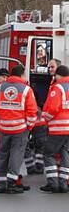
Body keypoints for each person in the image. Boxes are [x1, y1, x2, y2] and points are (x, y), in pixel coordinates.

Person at [0, 64, 38, 194]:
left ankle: (1, 183)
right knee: (16, 156)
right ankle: (11, 183)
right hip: (20, 129)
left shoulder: (0, 88)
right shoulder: (26, 90)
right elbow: (32, 110)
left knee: (2, 155)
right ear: (22, 74)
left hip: (3, 127)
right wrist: (29, 126)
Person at [26, 58, 62, 174]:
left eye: (52, 67)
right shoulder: (52, 82)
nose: (50, 69)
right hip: (51, 122)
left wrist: (46, 117)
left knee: (52, 151)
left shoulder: (58, 84)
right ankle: (58, 176)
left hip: (56, 122)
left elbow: (55, 105)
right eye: (49, 67)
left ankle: (56, 178)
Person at [41, 65, 69, 193]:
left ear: (58, 75)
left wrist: (45, 118)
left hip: (59, 127)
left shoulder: (58, 88)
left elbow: (53, 108)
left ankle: (53, 183)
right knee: (66, 155)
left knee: (48, 153)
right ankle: (63, 184)